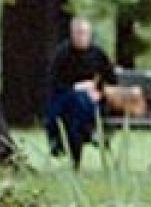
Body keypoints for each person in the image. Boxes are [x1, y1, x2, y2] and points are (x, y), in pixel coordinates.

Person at [44, 17, 117, 166]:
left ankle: (75, 147)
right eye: (78, 33)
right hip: (66, 100)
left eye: (84, 33)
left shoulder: (97, 54)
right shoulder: (62, 54)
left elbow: (111, 79)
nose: (81, 36)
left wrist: (98, 91)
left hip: (93, 102)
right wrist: (76, 88)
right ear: (72, 34)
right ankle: (90, 133)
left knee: (78, 110)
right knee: (76, 103)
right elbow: (54, 82)